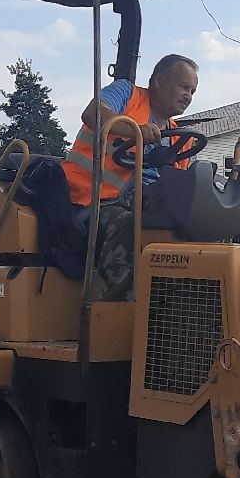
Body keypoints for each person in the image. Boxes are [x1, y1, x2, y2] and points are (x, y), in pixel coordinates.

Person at [64, 54, 200, 298]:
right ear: (158, 81)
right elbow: (93, 113)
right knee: (131, 225)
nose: (188, 95)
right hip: (90, 201)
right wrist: (135, 130)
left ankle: (174, 304)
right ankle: (118, 309)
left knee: (191, 226)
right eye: (183, 86)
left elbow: (174, 189)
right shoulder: (126, 94)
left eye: (192, 90)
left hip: (142, 202)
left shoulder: (180, 137)